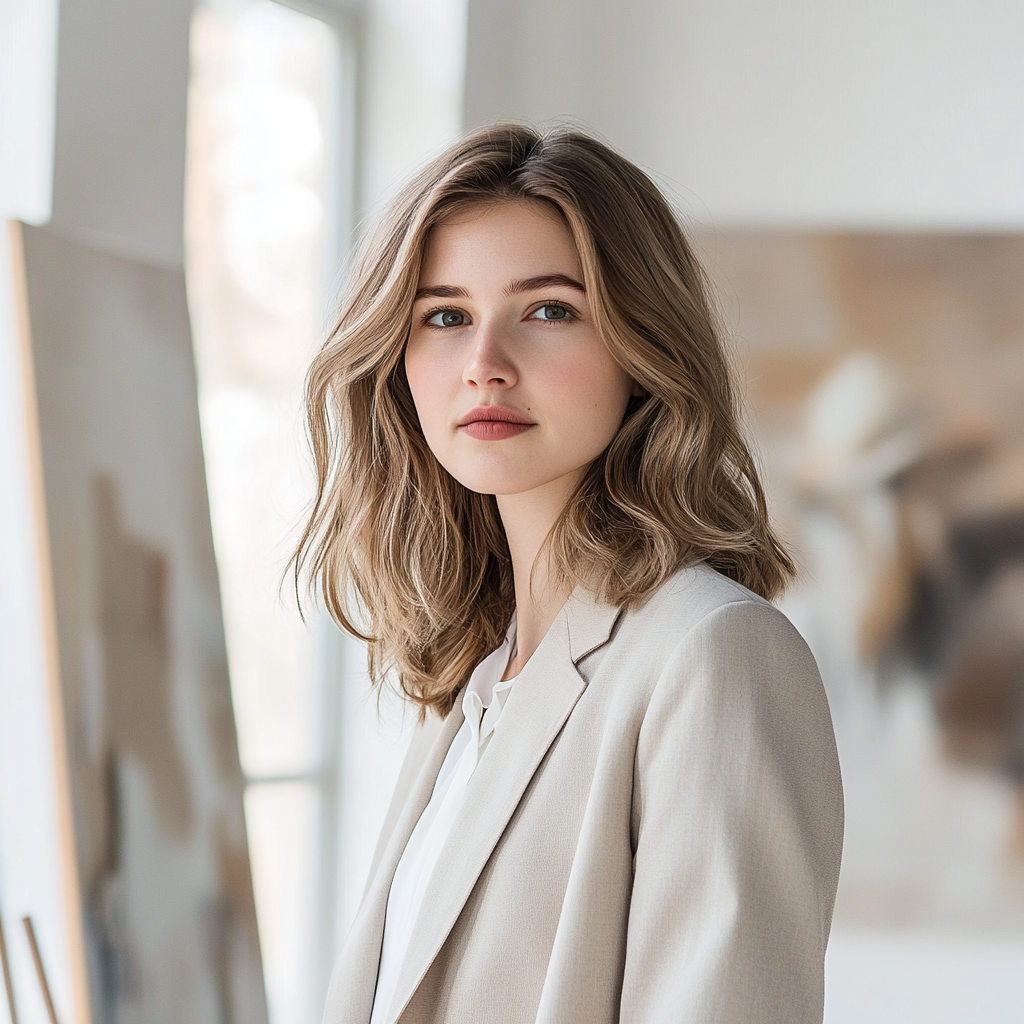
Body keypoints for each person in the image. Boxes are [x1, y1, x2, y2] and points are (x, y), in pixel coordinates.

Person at [295, 124, 843, 1024]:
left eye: (549, 310)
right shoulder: (477, 680)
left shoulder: (715, 653)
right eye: (445, 316)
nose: (484, 367)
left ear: (642, 344)